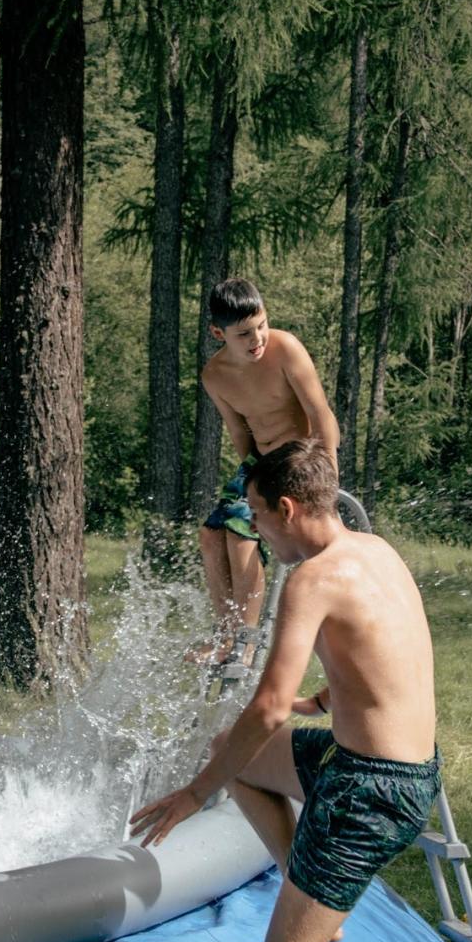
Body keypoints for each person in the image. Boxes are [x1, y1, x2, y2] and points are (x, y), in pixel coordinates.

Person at [131, 440, 440, 942]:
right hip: (400, 769)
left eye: (256, 515)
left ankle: (313, 921)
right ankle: (312, 893)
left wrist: (194, 795)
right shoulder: (376, 550)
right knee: (236, 754)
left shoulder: (310, 580)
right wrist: (323, 702)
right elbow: (385, 650)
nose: (257, 532)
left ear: (288, 508)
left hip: (367, 792)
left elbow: (268, 706)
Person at [191, 278, 339, 663]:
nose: (257, 338)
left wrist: (328, 480)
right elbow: (239, 431)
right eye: (244, 334)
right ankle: (226, 634)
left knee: (240, 530)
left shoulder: (285, 349)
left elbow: (321, 415)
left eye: (262, 325)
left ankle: (246, 642)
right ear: (218, 333)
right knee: (210, 535)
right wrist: (251, 480)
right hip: (261, 463)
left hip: (301, 459)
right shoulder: (215, 376)